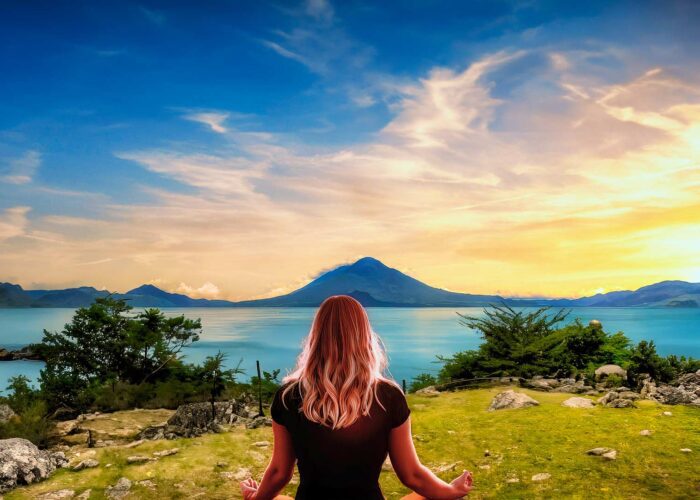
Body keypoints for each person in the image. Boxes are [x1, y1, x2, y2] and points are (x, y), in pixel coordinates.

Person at [239, 295, 473, 500]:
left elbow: (279, 473)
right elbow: (411, 474)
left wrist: (257, 497)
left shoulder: (288, 396)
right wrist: (450, 490)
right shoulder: (388, 396)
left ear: (317, 336)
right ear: (364, 335)